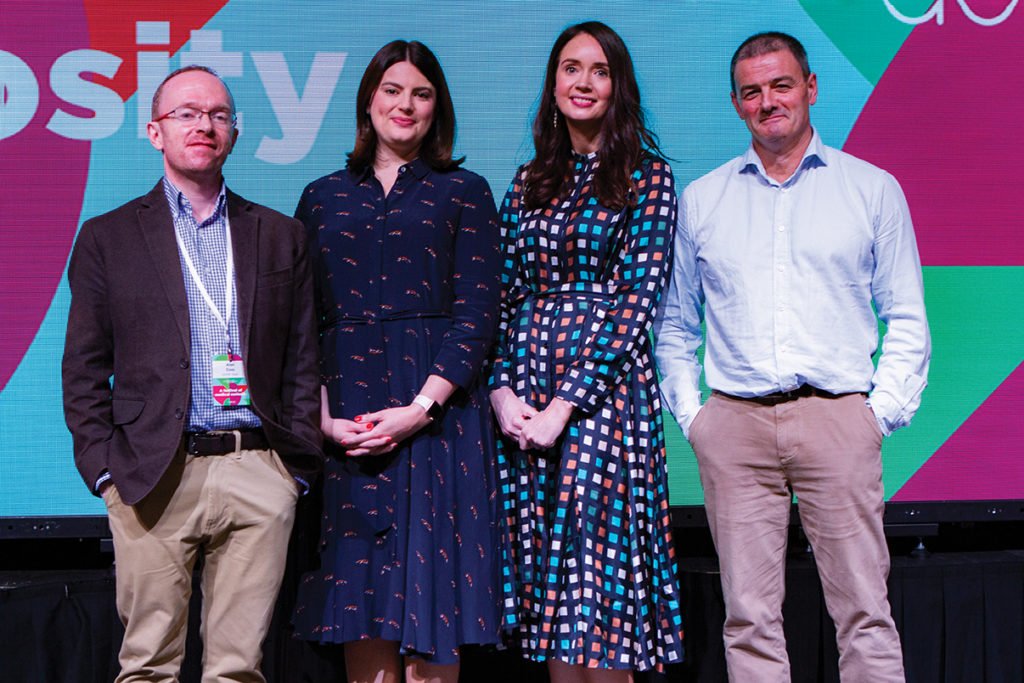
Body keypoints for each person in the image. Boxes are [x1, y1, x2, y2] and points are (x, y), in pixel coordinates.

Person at [655, 32, 931, 682]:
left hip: (838, 420)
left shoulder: (871, 189)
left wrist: (877, 415)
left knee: (865, 614)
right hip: (735, 426)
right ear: (735, 103)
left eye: (781, 85)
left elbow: (907, 315)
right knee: (749, 621)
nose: (767, 101)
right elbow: (674, 325)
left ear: (810, 88)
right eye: (751, 91)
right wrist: (696, 419)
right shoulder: (704, 200)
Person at [61, 65, 322, 682]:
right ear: (155, 131)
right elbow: (84, 369)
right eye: (186, 113)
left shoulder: (279, 235)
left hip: (257, 468)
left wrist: (293, 473)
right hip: (152, 473)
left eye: (218, 115)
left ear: (233, 133)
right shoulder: (107, 238)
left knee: (238, 669)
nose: (204, 125)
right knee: (148, 666)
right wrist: (105, 472)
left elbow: (303, 358)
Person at [289, 40, 503, 683]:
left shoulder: (465, 191)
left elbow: (477, 317)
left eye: (421, 93)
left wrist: (420, 409)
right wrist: (324, 420)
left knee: (435, 620)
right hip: (348, 425)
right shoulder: (321, 197)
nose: (405, 105)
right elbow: (300, 322)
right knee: (362, 614)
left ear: (438, 109)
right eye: (392, 90)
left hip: (439, 425)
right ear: (368, 101)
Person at [490, 21, 685, 682]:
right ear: (553, 85)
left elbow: (636, 302)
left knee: (598, 596)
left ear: (617, 87)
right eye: (571, 68)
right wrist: (503, 391)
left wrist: (564, 406)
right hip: (526, 397)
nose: (583, 82)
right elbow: (505, 293)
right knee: (552, 600)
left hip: (604, 403)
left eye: (600, 71)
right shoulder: (526, 181)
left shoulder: (648, 178)